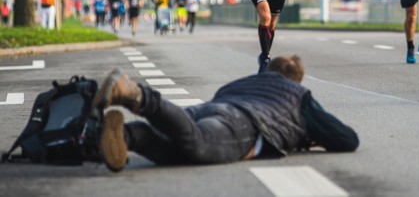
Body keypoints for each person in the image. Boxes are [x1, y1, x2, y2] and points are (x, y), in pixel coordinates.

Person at [93, 55, 359, 172]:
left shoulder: (245, 81)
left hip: (208, 109)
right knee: (200, 146)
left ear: (269, 72)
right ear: (296, 80)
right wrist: (310, 134)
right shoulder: (299, 96)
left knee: (178, 151)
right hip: (243, 123)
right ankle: (135, 94)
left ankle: (128, 136)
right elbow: (347, 139)